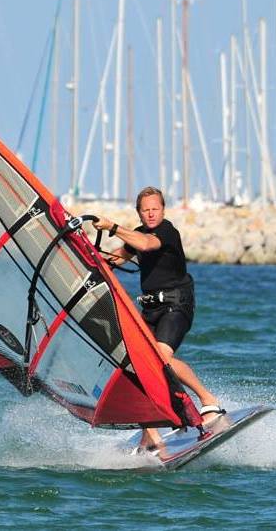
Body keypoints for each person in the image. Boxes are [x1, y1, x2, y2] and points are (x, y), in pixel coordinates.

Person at [93, 186, 222, 452]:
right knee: (136, 367)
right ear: (139, 213)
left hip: (176, 304)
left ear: (163, 210)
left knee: (161, 358)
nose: (151, 214)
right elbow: (116, 258)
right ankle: (150, 433)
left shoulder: (166, 231)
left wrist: (112, 226)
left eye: (155, 209)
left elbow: (146, 245)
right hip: (150, 310)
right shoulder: (137, 233)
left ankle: (209, 401)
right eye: (145, 210)